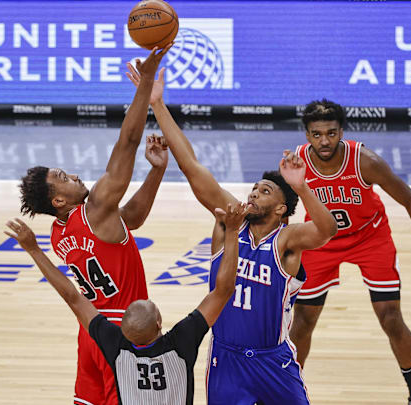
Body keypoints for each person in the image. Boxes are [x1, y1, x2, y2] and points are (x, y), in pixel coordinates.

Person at [126, 64, 338, 404]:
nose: (254, 193)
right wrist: (157, 104)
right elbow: (192, 167)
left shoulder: (285, 242)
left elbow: (328, 230)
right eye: (254, 188)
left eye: (265, 191)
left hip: (274, 359)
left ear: (282, 209)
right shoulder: (229, 220)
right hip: (227, 359)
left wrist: (301, 185)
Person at [17, 44, 171, 405]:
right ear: (58, 200)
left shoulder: (60, 233)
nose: (73, 175)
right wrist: (144, 86)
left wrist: (157, 172)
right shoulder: (96, 207)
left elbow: (131, 220)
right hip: (124, 331)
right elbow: (128, 142)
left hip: (90, 331)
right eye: (62, 177)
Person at [288, 99, 411, 405]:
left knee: (390, 318)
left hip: (370, 237)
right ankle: (287, 390)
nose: (324, 141)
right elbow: (281, 208)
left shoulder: (365, 161)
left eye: (331, 132)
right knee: (302, 321)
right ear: (306, 134)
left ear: (341, 131)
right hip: (321, 240)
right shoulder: (296, 163)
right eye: (316, 134)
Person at [5, 200, 249, 405]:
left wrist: (34, 249)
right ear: (159, 322)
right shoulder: (181, 342)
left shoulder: (115, 347)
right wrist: (232, 231)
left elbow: (72, 296)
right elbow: (224, 290)